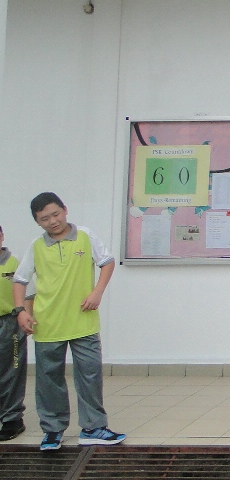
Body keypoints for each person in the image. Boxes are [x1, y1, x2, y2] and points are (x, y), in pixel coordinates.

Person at [12, 192, 126, 451]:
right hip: (48, 324)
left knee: (90, 376)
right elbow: (20, 279)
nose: (53, 221)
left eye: (55, 214)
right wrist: (21, 311)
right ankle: (52, 430)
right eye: (44, 219)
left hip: (83, 322)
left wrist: (97, 292)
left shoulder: (85, 235)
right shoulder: (36, 246)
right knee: (49, 380)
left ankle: (93, 427)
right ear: (37, 222)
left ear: (65, 210)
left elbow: (107, 262)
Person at [0, 224, 27, 442]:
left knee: (12, 371)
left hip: (10, 323)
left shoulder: (15, 262)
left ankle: (12, 419)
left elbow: (29, 292)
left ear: (2, 236)